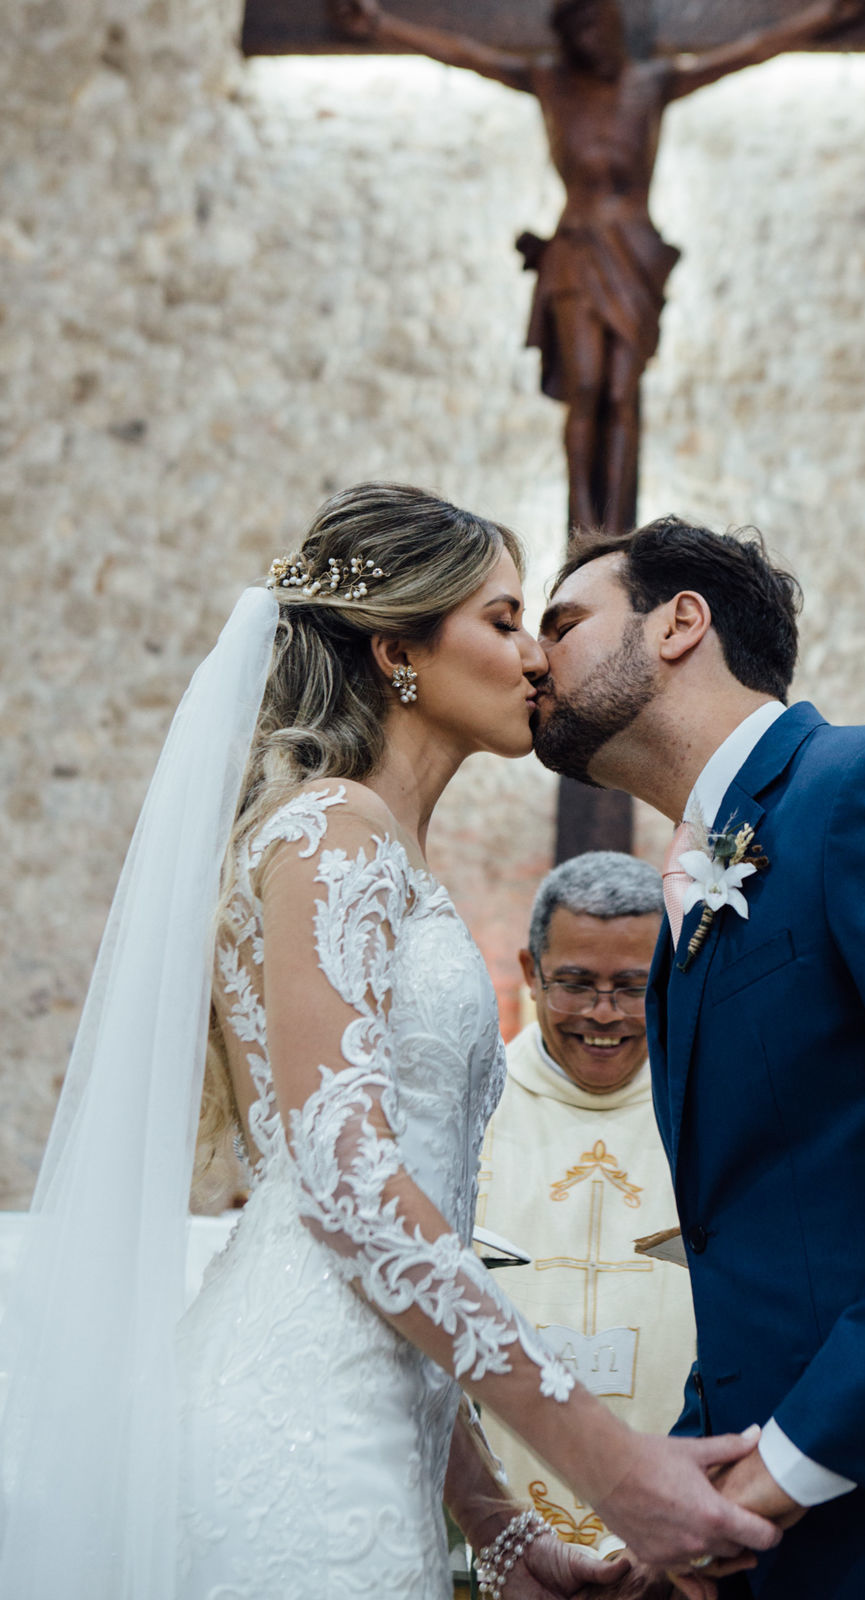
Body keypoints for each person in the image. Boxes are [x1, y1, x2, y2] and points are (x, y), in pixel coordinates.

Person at [0, 486, 782, 1600]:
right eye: (502, 620)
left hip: (366, 1434)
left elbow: (380, 1238)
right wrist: (609, 1464)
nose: (533, 656)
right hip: (296, 1436)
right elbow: (348, 1185)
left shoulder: (377, 852)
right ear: (397, 651)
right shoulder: (331, 832)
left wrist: (497, 1528)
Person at [531, 514, 865, 1599]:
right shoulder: (684, 918)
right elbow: (767, 1250)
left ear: (679, 622)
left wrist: (785, 1466)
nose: (532, 660)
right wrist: (687, 1497)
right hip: (797, 1548)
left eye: (561, 623)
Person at [334, 0, 865, 532]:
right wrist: (381, 24)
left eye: (597, 30)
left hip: (633, 253)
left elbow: (747, 50)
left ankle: (616, 529)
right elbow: (466, 53)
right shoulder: (550, 82)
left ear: (612, 26)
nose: (590, 43)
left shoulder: (652, 83)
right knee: (585, 387)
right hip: (576, 249)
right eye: (580, 35)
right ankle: (582, 529)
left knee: (621, 393)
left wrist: (822, 17)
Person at [478, 853, 696, 1551]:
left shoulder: (708, 1112)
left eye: (631, 987)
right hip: (493, 1527)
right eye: (575, 984)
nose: (604, 1015)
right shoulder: (468, 1110)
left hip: (679, 1526)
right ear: (530, 972)